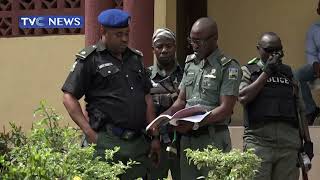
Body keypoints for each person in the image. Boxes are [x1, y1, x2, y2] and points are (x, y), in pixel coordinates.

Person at [61, 9, 160, 179]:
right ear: (103, 32)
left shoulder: (135, 58)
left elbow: (147, 96)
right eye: (118, 34)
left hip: (137, 142)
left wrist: (154, 135)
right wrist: (89, 133)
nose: (124, 39)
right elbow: (68, 97)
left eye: (127, 33)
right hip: (107, 141)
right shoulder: (91, 59)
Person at [163, 17, 242, 180]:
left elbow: (225, 108)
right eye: (192, 40)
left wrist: (194, 125)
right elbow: (181, 101)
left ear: (214, 39)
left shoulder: (228, 66)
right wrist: (164, 118)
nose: (195, 45)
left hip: (213, 138)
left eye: (200, 41)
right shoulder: (191, 63)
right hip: (188, 140)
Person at [239, 32, 314, 180]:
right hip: (259, 144)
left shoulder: (289, 73)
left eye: (278, 50)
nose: (274, 54)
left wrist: (308, 141)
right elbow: (243, 97)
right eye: (269, 50)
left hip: (288, 145)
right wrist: (267, 72)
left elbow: (300, 109)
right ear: (258, 49)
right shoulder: (249, 71)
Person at [147, 28, 183, 180]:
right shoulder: (145, 75)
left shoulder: (187, 73)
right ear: (153, 49)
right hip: (156, 143)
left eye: (168, 46)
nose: (164, 50)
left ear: (175, 47)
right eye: (159, 46)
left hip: (182, 141)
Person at [294, 0, 320, 125]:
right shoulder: (314, 29)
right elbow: (311, 52)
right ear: (318, 11)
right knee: (297, 76)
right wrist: (315, 65)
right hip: (318, 64)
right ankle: (311, 109)